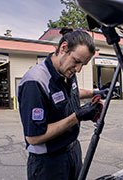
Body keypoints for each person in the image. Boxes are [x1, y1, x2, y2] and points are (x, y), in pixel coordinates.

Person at [18, 27, 108, 180]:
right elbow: (34, 138)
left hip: (72, 151)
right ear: (63, 48)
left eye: (83, 65)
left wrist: (96, 92)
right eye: (77, 62)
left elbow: (73, 91)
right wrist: (77, 116)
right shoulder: (35, 82)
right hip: (49, 163)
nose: (78, 69)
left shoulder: (67, 71)